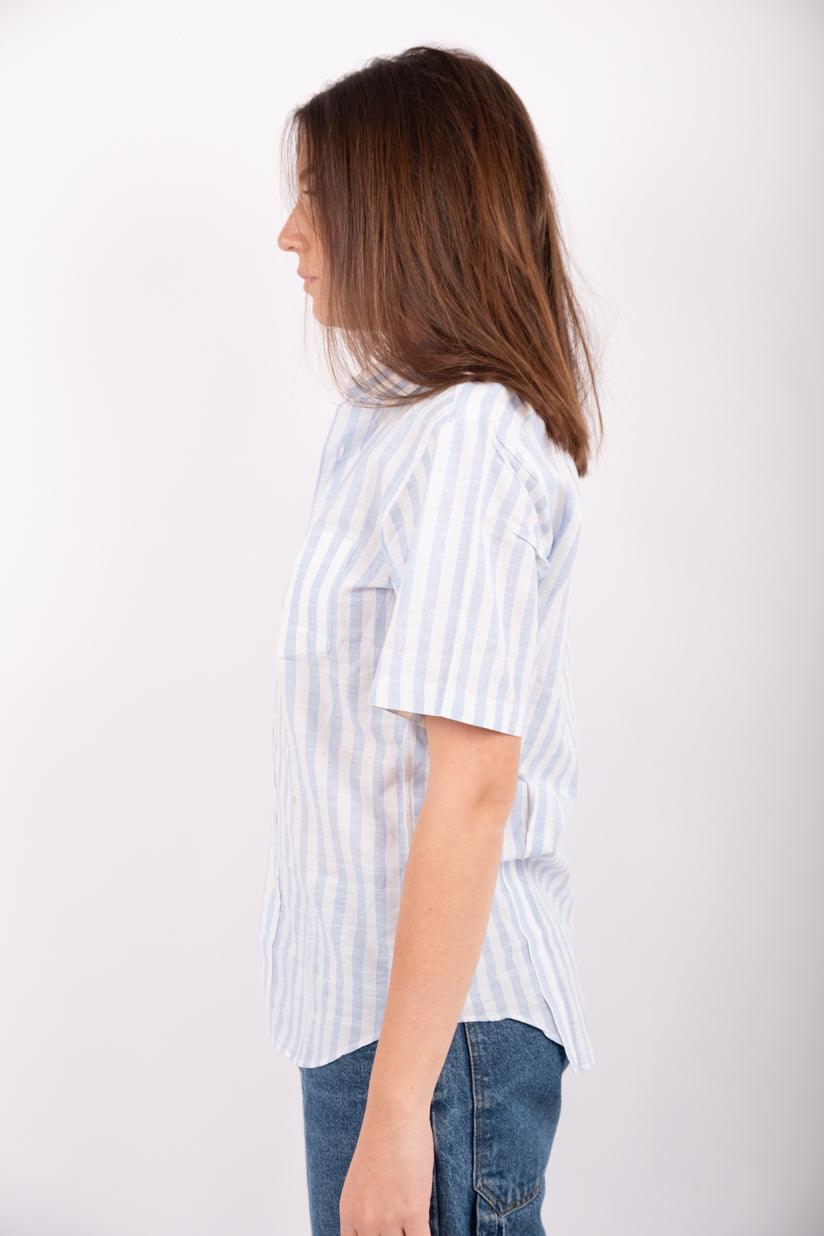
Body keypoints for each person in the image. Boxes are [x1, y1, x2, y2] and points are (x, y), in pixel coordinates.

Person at [260, 43, 602, 1236]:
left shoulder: (468, 437)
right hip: (378, 1024)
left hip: (438, 1045)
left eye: (317, 197)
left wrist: (401, 1109)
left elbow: (471, 783)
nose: (288, 234)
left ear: (399, 211)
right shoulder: (384, 423)